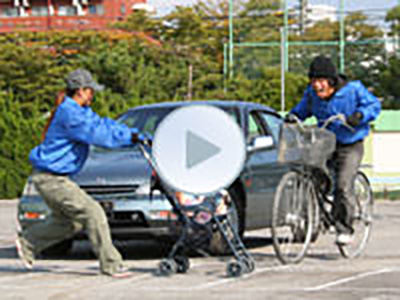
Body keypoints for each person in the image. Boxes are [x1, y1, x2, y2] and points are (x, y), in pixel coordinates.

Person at [16, 69, 148, 278]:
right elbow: (99, 135)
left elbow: (104, 124)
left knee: (72, 222)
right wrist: (129, 139)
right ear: (81, 91)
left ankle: (28, 242)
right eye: (90, 91)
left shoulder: (80, 111)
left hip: (55, 178)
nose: (93, 95)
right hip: (50, 179)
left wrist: (135, 134)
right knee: (94, 213)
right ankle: (111, 265)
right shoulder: (71, 114)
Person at [285, 55, 381, 245]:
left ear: (331, 81)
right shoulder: (311, 94)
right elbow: (302, 110)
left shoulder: (353, 90)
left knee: (343, 186)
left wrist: (360, 115)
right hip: (326, 142)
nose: (317, 86)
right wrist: (293, 116)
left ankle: (345, 228)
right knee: (311, 176)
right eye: (313, 81)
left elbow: (374, 105)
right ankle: (316, 216)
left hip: (350, 143)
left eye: (321, 81)